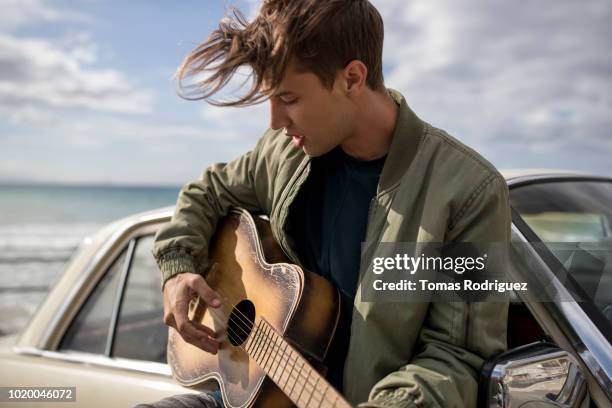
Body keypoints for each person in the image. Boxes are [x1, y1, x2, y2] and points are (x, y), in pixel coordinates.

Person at [141, 0, 510, 407]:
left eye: (288, 98)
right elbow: (208, 190)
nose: (275, 121)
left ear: (352, 78)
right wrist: (178, 267)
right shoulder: (283, 152)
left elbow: (457, 357)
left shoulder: (468, 191)